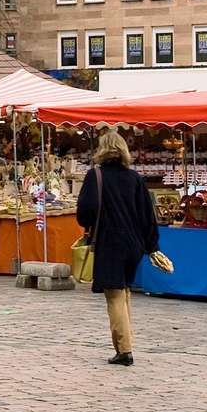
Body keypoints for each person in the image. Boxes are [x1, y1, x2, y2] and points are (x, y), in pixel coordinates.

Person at [74, 129, 159, 367]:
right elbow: (147, 216)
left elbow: (85, 213)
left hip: (110, 241)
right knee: (124, 292)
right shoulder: (135, 179)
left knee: (114, 295)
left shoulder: (96, 176)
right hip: (133, 244)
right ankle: (125, 343)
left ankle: (125, 350)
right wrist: (151, 246)